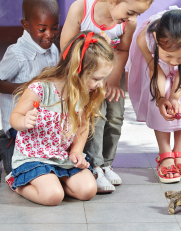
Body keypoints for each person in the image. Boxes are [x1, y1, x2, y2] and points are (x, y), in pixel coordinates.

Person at [60, 0, 156, 192]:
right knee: (95, 118)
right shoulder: (82, 9)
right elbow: (66, 47)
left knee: (115, 117)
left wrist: (113, 79)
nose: (132, 18)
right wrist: (89, 74)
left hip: (112, 75)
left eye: (137, 14)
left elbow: (122, 51)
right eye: (130, 12)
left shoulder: (127, 23)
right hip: (86, 77)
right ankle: (94, 165)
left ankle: (107, 163)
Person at [6, 31, 114, 205]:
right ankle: (16, 182)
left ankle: (52, 181)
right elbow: (15, 117)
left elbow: (82, 127)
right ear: (77, 70)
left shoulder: (84, 94)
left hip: (61, 157)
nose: (100, 84)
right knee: (52, 197)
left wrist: (76, 151)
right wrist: (24, 122)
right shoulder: (41, 89)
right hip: (34, 158)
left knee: (88, 190)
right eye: (96, 78)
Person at [0, 0, 60, 175]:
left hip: (42, 121)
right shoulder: (17, 54)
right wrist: (25, 89)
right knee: (18, 172)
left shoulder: (52, 50)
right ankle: (5, 140)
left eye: (55, 28)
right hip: (19, 123)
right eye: (42, 29)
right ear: (26, 25)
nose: (49, 35)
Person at [127, 6, 181, 183]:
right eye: (169, 56)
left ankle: (180, 153)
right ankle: (165, 154)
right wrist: (162, 98)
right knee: (158, 106)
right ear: (156, 39)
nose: (174, 62)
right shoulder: (145, 39)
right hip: (155, 66)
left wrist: (175, 97)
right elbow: (157, 72)